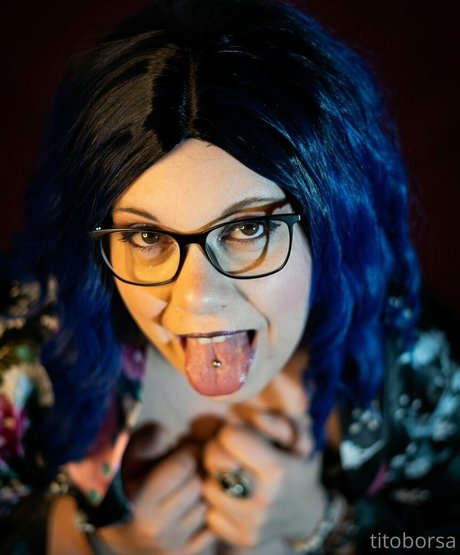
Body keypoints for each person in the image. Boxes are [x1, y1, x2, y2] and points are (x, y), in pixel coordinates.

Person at [1, 0, 459, 553]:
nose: (197, 300)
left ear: (333, 221)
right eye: (146, 237)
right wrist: (86, 541)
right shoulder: (20, 363)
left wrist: (325, 523)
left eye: (247, 228)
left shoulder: (416, 361)